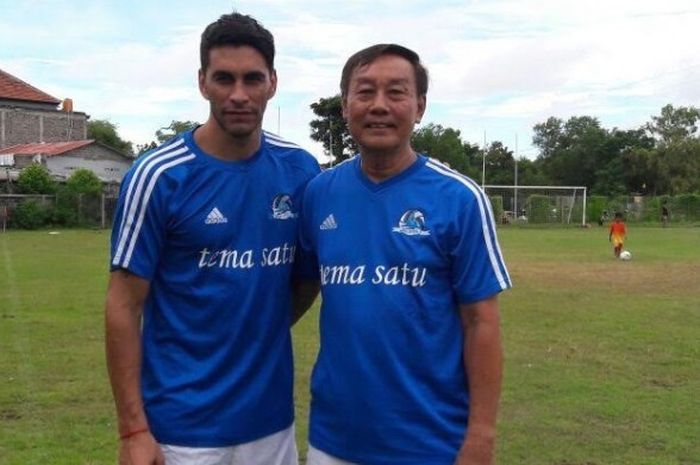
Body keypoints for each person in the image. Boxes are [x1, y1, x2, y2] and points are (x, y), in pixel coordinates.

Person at [105, 12, 320, 465]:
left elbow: (307, 280)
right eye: (224, 79)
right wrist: (133, 430)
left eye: (252, 79)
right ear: (203, 82)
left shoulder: (300, 171)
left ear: (273, 83)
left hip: (271, 423)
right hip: (181, 429)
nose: (238, 94)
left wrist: (260, 331)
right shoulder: (159, 175)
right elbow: (124, 305)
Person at [298, 44, 512, 465]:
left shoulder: (459, 199)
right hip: (333, 440)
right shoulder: (319, 193)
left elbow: (481, 323)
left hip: (430, 444)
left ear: (420, 106)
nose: (379, 106)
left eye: (395, 92)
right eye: (365, 92)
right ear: (345, 106)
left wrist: (481, 436)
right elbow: (299, 288)